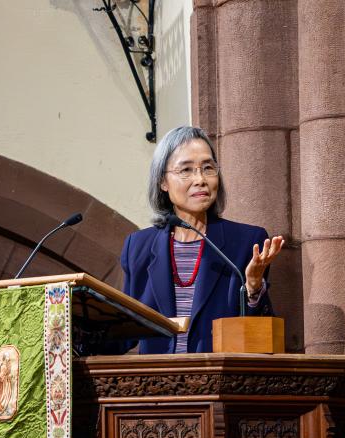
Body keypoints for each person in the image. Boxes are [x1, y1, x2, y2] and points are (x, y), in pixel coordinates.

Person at [121, 126, 284, 354]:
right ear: (163, 182)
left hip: (218, 381)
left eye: (208, 168)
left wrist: (254, 287)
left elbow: (255, 334)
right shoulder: (138, 247)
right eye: (186, 170)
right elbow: (123, 334)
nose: (200, 179)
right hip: (158, 382)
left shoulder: (246, 242)